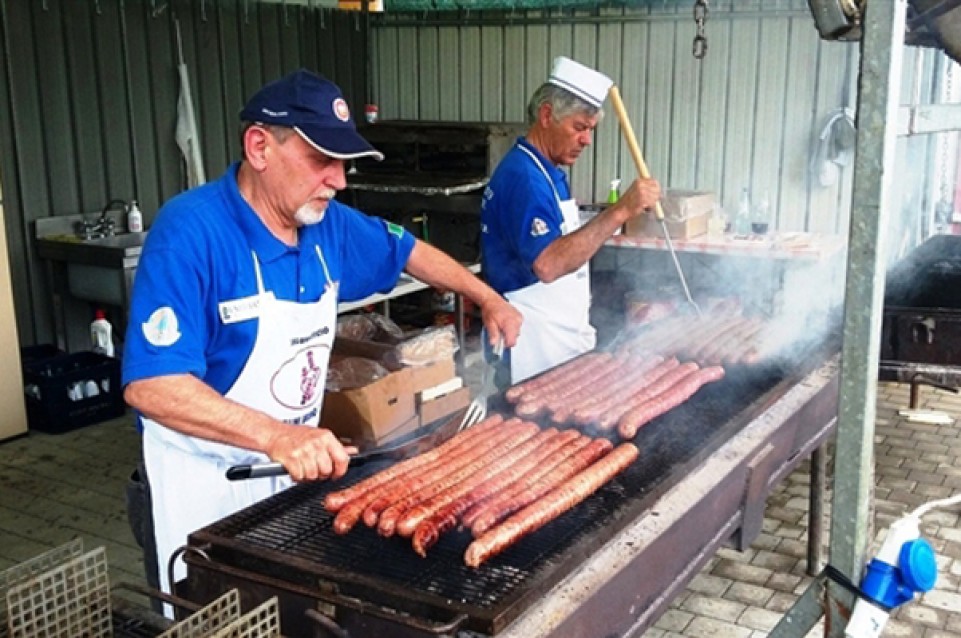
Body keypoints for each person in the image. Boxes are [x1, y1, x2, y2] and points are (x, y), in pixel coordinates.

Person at [121, 68, 523, 603]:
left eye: (343, 163)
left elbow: (407, 250)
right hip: (204, 490)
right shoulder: (190, 233)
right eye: (321, 160)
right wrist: (279, 435)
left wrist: (487, 296)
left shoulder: (327, 225)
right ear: (260, 147)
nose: (338, 180)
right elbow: (153, 385)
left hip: (289, 486)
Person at [481, 56, 661, 384]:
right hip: (530, 343)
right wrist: (620, 210)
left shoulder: (548, 170)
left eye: (591, 130)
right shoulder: (525, 178)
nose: (587, 140)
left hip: (556, 337)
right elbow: (547, 264)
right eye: (579, 127)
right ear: (547, 115)